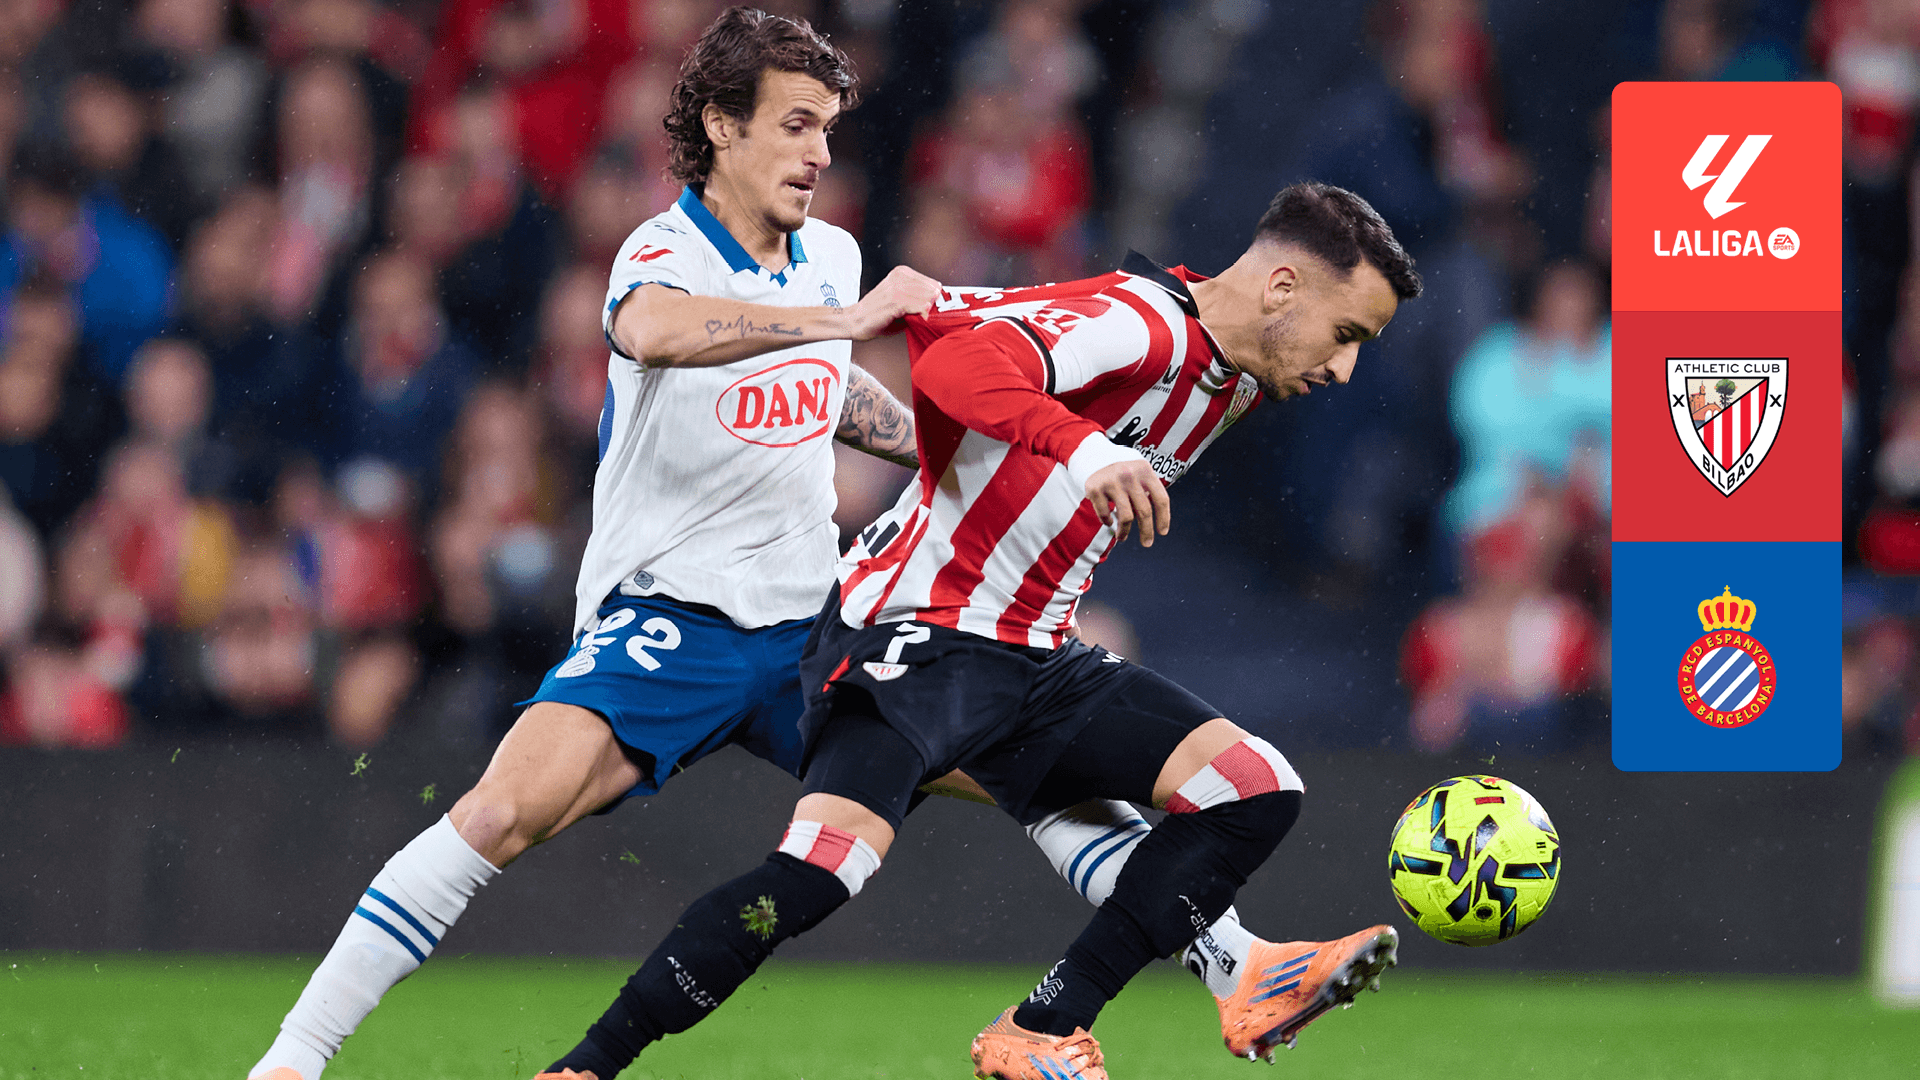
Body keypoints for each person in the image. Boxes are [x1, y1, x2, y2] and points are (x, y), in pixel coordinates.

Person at [534, 180, 1424, 1080]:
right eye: (1346, 333)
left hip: (1034, 651)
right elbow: (955, 370)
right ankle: (586, 1066)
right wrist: (1085, 446)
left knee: (1255, 789)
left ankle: (1059, 1020)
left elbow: (992, 335)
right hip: (918, 631)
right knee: (817, 874)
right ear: (1281, 287)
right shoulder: (1141, 326)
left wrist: (962, 317)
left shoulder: (1229, 374)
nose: (1344, 369)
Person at [243, 10, 932, 1078]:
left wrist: (957, 449)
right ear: (723, 124)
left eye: (829, 130)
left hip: (809, 621)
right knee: (497, 816)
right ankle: (290, 1062)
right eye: (798, 125)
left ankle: (1161, 965)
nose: (821, 154)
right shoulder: (659, 251)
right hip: (673, 616)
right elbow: (654, 330)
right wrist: (836, 325)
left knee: (1011, 746)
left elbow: (832, 393)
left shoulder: (831, 255)